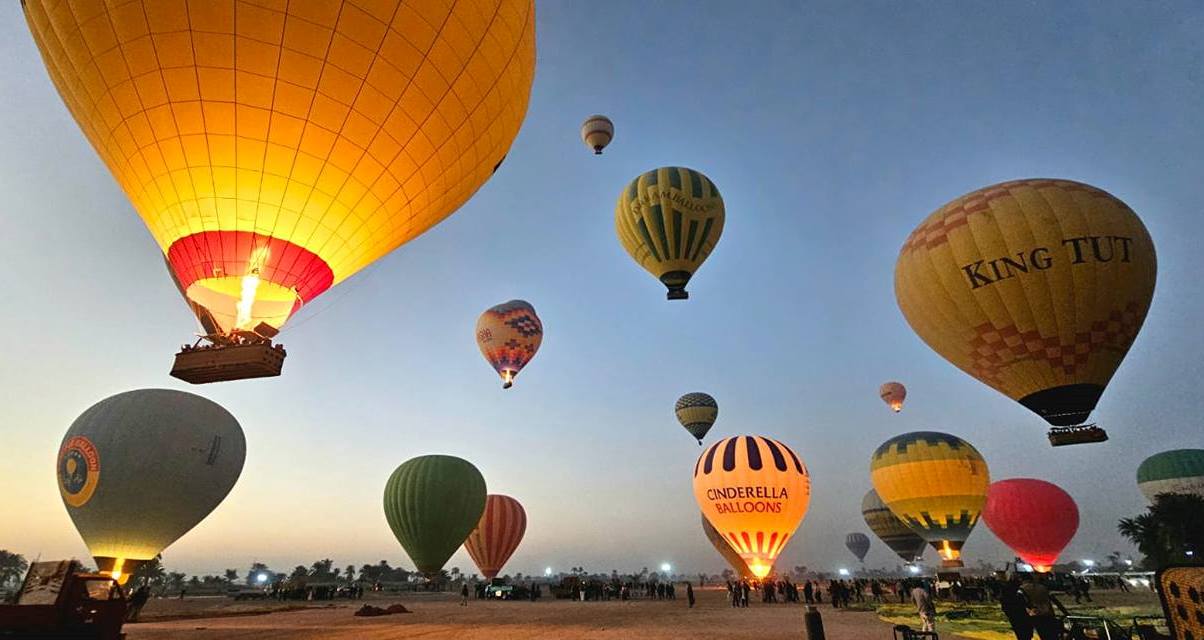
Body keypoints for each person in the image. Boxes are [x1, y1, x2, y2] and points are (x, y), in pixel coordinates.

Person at [1020, 574, 1063, 640]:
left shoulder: (1022, 589)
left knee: (1043, 634)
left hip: (1035, 614)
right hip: (1047, 613)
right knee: (1051, 636)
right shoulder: (1042, 587)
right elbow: (1048, 601)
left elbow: (1023, 602)